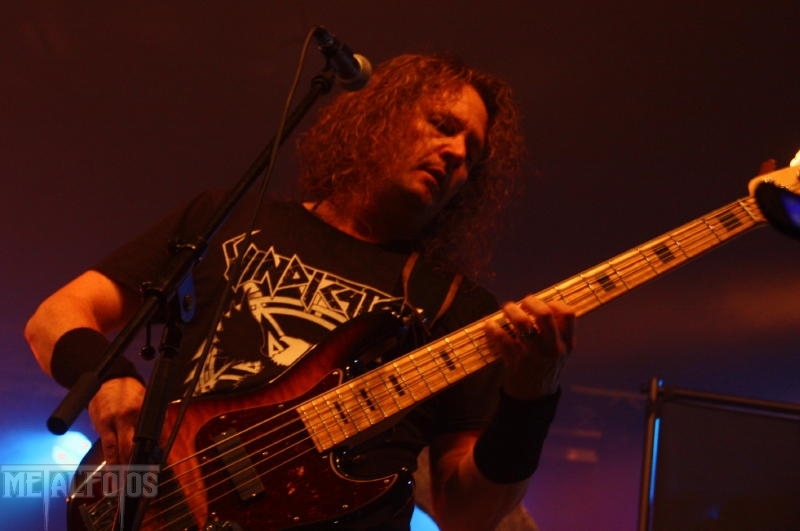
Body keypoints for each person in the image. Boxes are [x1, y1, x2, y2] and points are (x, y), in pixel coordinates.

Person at [25, 53, 575, 530]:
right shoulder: (232, 216)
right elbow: (57, 314)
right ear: (379, 117)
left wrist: (532, 398)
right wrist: (110, 379)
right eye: (442, 125)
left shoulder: (459, 307)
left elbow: (467, 513)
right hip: (163, 500)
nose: (456, 153)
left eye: (472, 154)